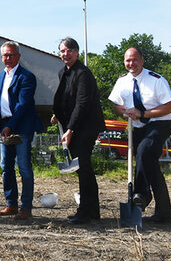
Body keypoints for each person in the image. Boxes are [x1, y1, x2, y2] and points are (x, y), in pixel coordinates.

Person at [108, 47, 171, 225]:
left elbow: (168, 108)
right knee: (150, 165)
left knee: (144, 152)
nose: (131, 64)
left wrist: (142, 113)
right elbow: (116, 105)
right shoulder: (122, 82)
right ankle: (164, 214)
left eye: (135, 60)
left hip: (160, 123)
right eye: (128, 61)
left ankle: (141, 195)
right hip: (137, 126)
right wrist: (125, 112)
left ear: (142, 61)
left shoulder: (156, 80)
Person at [51, 37, 105, 225]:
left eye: (69, 50)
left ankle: (84, 211)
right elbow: (67, 98)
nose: (65, 54)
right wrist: (59, 115)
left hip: (86, 127)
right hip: (73, 125)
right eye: (62, 51)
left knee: (82, 167)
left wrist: (71, 128)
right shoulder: (63, 72)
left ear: (77, 52)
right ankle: (93, 210)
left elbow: (82, 103)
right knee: (85, 169)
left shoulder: (83, 73)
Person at [0, 41, 42, 221]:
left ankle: (26, 207)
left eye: (11, 55)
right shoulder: (2, 76)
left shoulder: (27, 77)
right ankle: (11, 204)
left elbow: (22, 105)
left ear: (19, 56)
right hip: (6, 126)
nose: (8, 58)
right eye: (5, 55)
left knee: (24, 167)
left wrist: (10, 126)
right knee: (6, 166)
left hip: (22, 128)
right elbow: (3, 103)